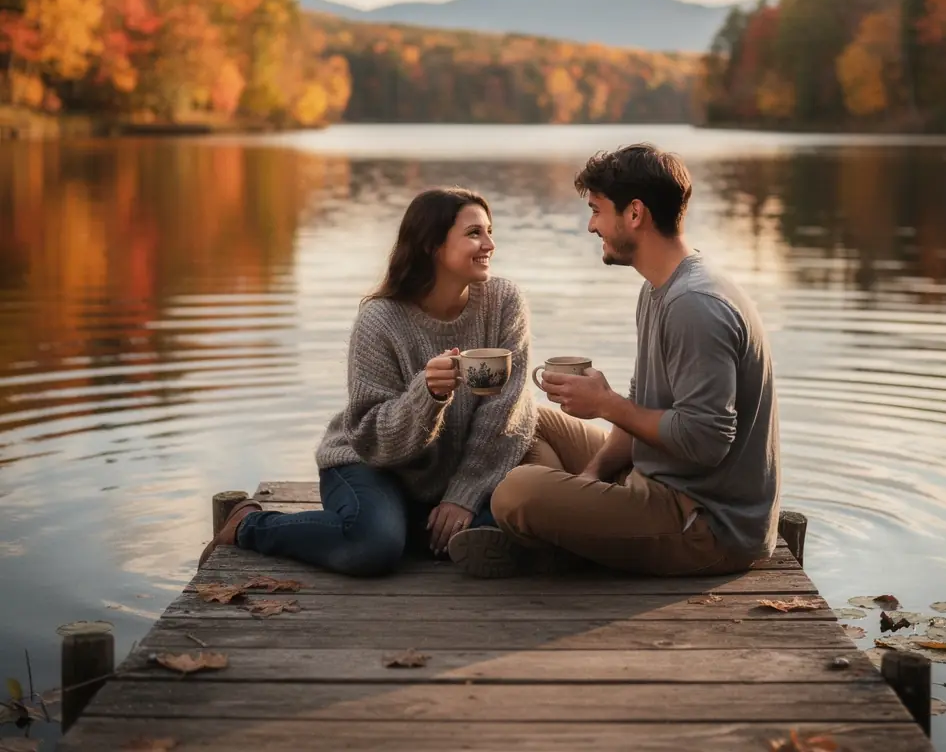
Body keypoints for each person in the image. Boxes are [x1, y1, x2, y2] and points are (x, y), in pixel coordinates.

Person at [448, 143, 779, 578]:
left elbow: (706, 441)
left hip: (705, 523)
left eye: (598, 210)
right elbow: (644, 406)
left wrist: (606, 404)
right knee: (528, 420)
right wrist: (590, 475)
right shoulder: (660, 288)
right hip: (656, 478)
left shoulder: (695, 304)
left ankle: (546, 538)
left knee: (514, 494)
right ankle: (560, 530)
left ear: (635, 214)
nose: (590, 225)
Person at [199, 187, 537, 575]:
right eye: (475, 233)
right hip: (371, 465)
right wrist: (427, 395)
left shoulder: (504, 302)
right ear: (432, 245)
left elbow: (508, 412)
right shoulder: (381, 321)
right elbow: (373, 439)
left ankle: (417, 527)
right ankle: (248, 525)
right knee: (372, 547)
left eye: (490, 231)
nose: (490, 244)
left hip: (452, 473)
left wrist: (463, 494)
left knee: (519, 525)